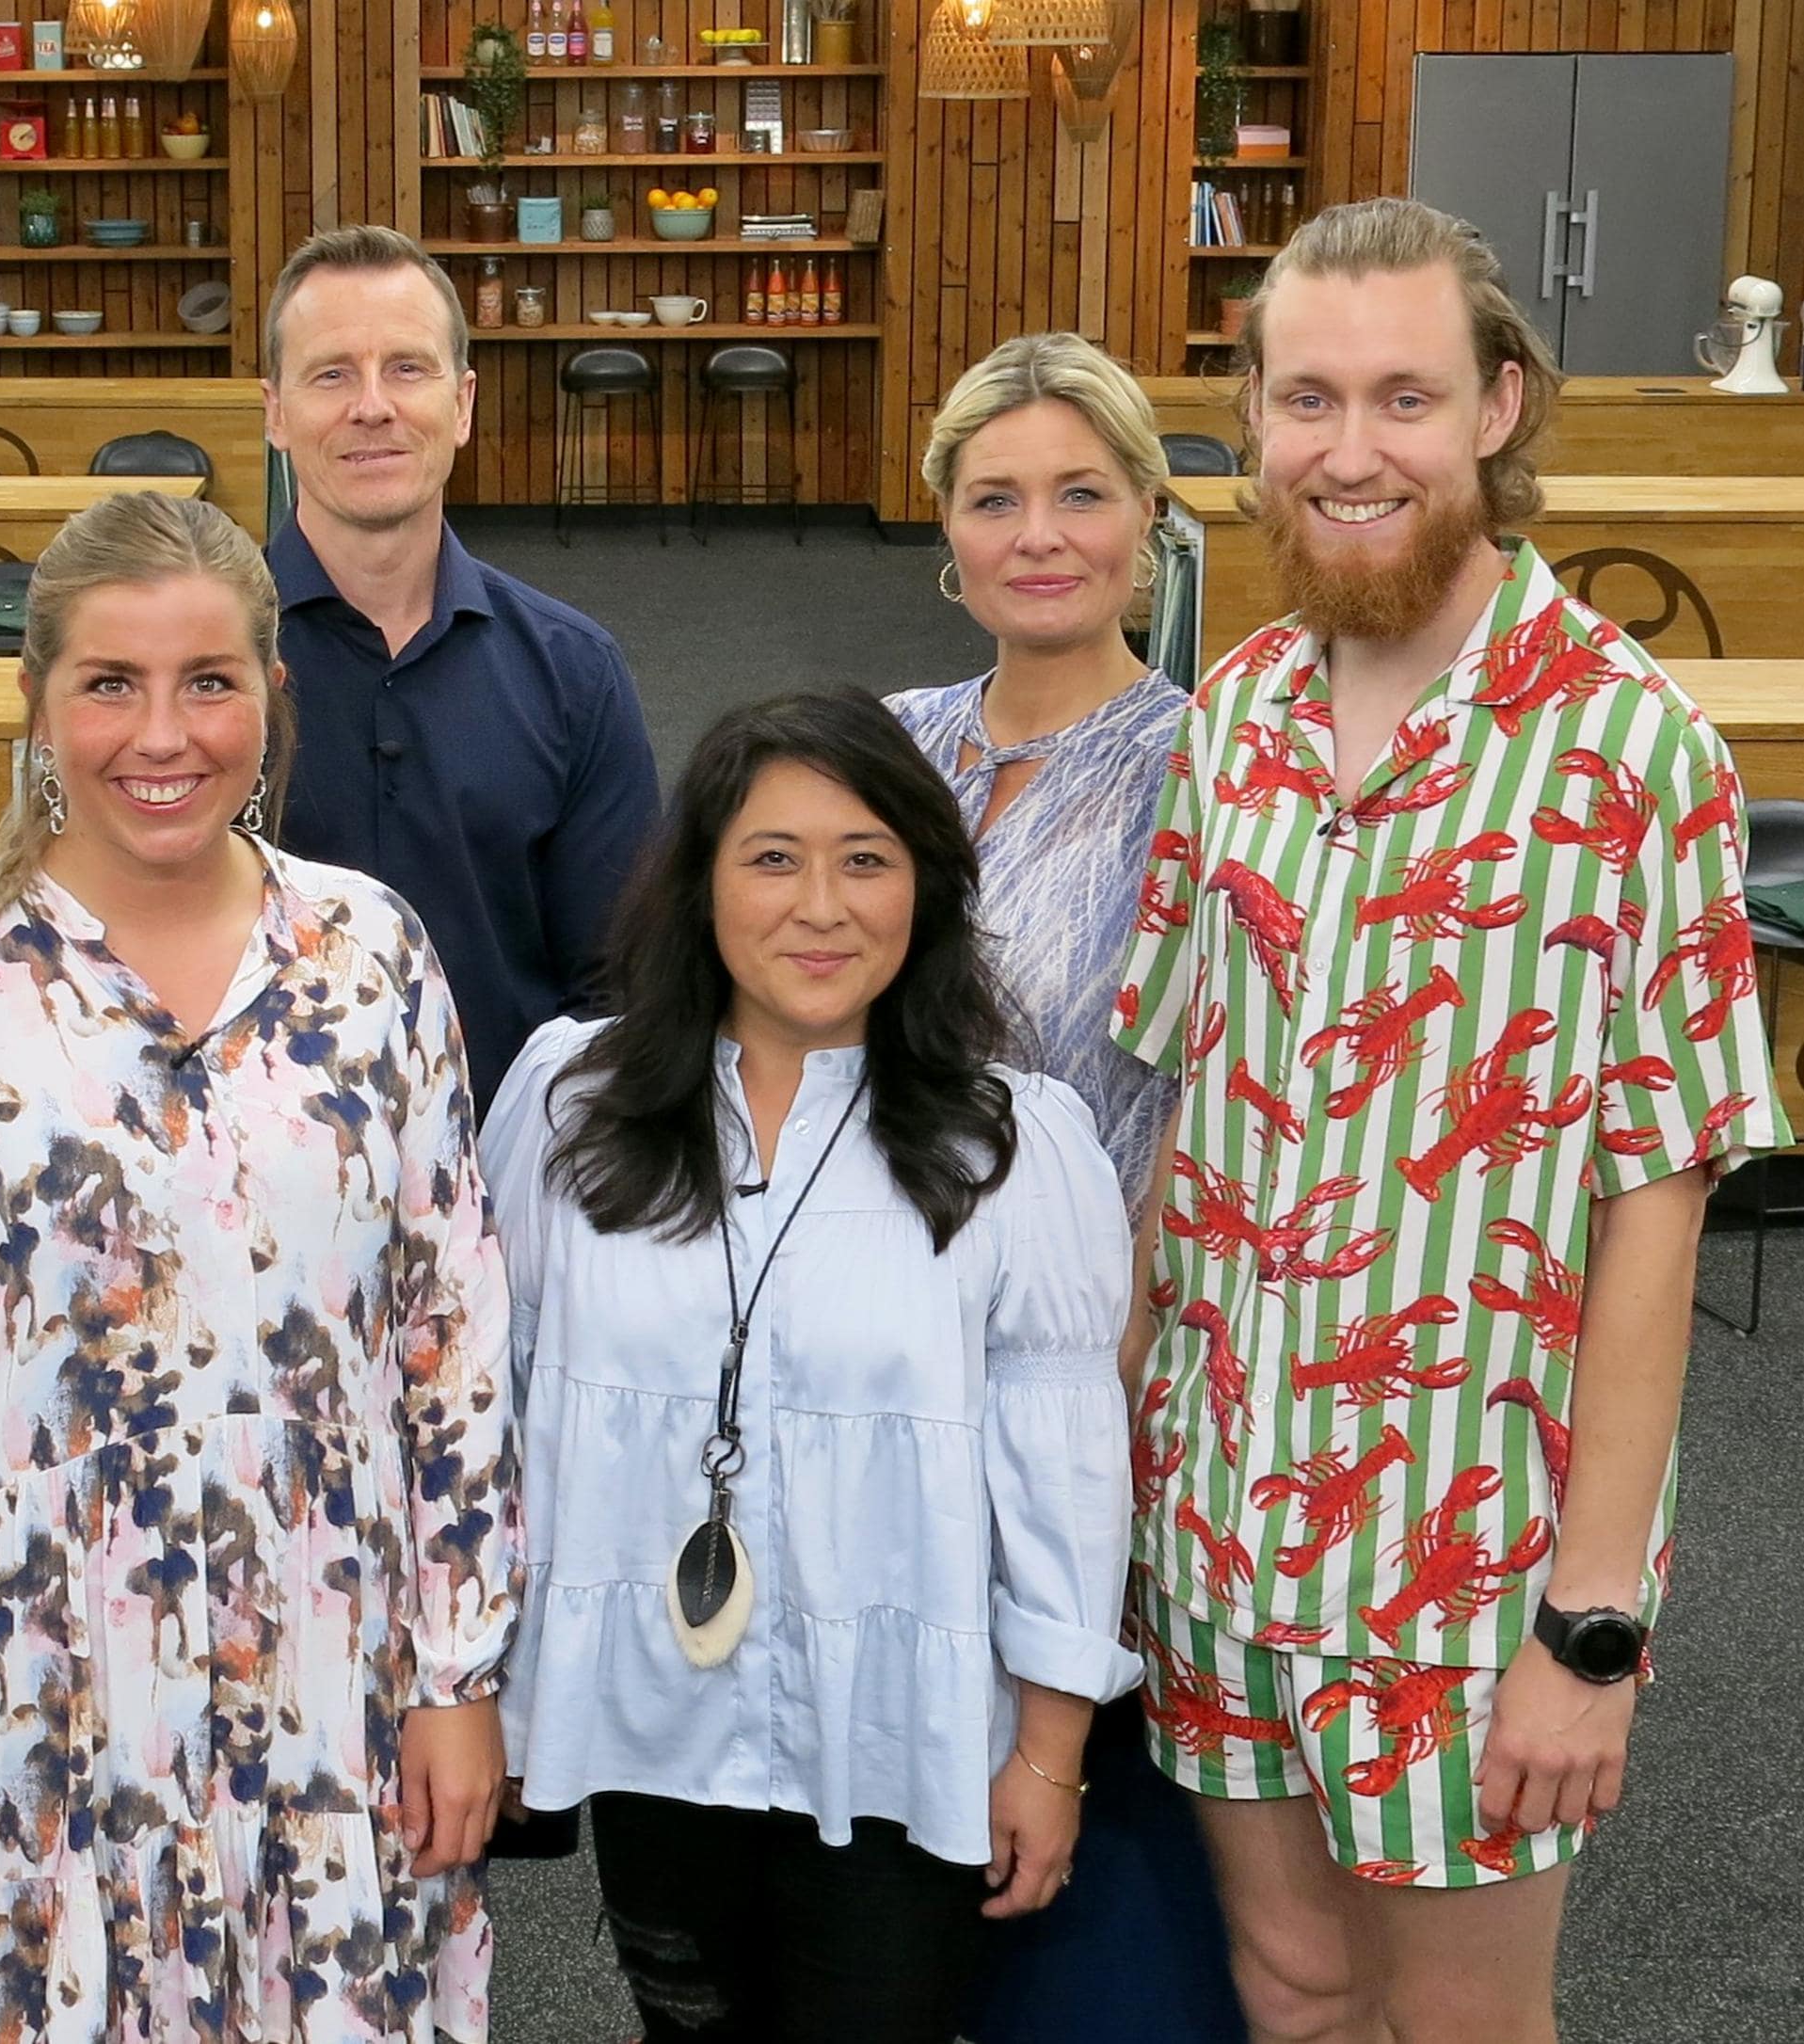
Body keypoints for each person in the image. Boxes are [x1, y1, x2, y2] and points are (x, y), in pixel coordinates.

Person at [1111, 198, 1790, 2044]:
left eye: (1401, 398)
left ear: (1496, 406)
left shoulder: (1631, 750)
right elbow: (1183, 1127)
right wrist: (1108, 1461)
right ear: (1251, 424)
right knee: (1289, 1989)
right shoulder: (1229, 719)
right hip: (1214, 1521)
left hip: (1459, 1565)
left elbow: (1656, 1205)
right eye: (1305, 400)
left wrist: (1591, 1619)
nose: (1349, 452)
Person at [0, 488, 521, 2043]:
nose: (162, 734)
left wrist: (459, 1672)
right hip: (41, 1703)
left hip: (335, 1683)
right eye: (109, 684)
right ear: (36, 700)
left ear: (273, 690)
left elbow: (449, 1332)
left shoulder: (371, 955)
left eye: (208, 681)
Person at [481, 686, 1140, 2044]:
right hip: (652, 1720)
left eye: (866, 860)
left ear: (927, 888)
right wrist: (480, 1682)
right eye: (773, 858)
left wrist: (1050, 1754)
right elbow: (496, 1406)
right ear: (700, 884)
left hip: (900, 1740)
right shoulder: (569, 1103)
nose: (821, 908)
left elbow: (1064, 1474)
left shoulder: (1014, 1147)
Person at [891, 333, 1248, 2044]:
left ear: (1149, 523)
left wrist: (1111, 1369)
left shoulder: (1216, 769)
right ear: (945, 530)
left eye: (1080, 495)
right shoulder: (884, 749)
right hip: (884, 1348)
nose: (1036, 536)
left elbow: (1211, 1096)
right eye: (994, 499)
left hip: (1107, 1354)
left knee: (1094, 1864)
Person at [262, 222, 662, 1114]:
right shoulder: (199, 678)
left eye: (407, 368)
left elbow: (619, 990)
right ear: (275, 412)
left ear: (463, 403)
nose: (372, 406)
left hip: (509, 1157)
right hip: (242, 1168)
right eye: (331, 374)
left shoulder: (573, 673)